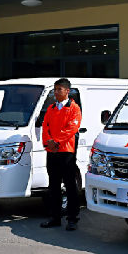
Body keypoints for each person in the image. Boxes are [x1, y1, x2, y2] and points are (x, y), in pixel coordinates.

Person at [40, 78, 82, 231]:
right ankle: (55, 217)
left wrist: (56, 141)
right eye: (55, 89)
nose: (56, 92)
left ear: (67, 91)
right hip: (52, 151)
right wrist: (49, 142)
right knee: (53, 185)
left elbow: (72, 128)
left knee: (70, 185)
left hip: (66, 152)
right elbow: (45, 127)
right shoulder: (51, 108)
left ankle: (72, 218)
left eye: (59, 89)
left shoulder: (74, 108)